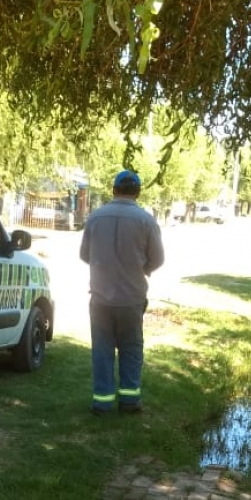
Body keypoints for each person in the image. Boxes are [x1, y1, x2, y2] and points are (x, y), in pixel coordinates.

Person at [79, 169, 165, 414]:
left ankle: (102, 402)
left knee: (102, 349)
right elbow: (158, 259)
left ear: (114, 189)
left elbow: (84, 255)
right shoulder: (146, 220)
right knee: (131, 348)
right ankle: (129, 401)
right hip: (132, 297)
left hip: (100, 297)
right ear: (137, 192)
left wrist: (103, 265)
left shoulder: (96, 217)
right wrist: (141, 270)